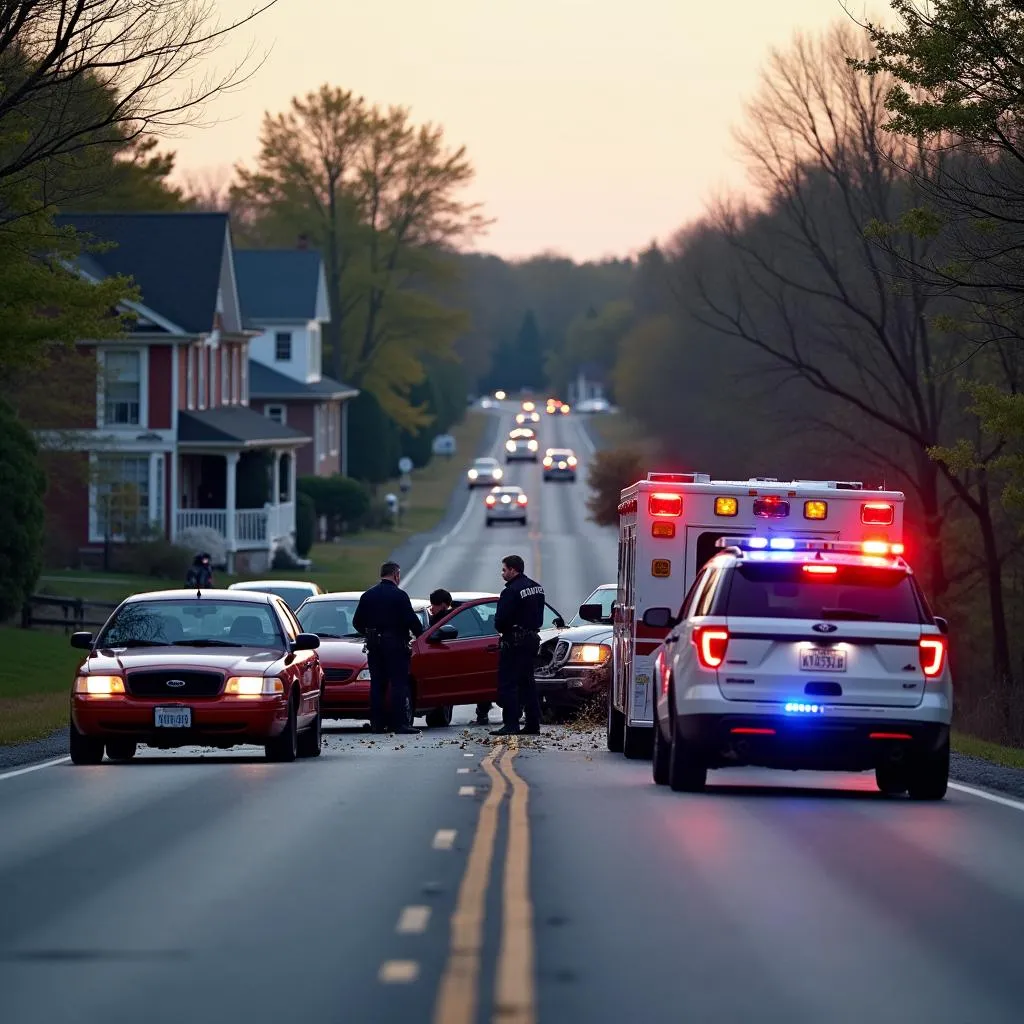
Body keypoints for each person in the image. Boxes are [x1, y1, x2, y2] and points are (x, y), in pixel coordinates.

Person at [353, 561, 424, 735]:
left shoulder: (368, 596)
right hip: (395, 644)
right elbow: (411, 620)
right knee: (398, 684)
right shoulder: (400, 596)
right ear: (396, 574)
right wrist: (420, 633)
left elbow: (356, 622)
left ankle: (377, 724)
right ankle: (399, 724)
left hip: (374, 645)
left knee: (377, 685)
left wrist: (369, 633)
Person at [492, 553, 545, 736]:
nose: (502, 573)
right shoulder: (537, 588)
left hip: (514, 641)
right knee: (528, 683)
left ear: (513, 570)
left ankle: (511, 723)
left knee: (509, 684)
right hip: (531, 639)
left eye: (504, 569)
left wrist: (502, 628)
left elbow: (501, 620)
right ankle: (533, 723)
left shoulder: (511, 591)